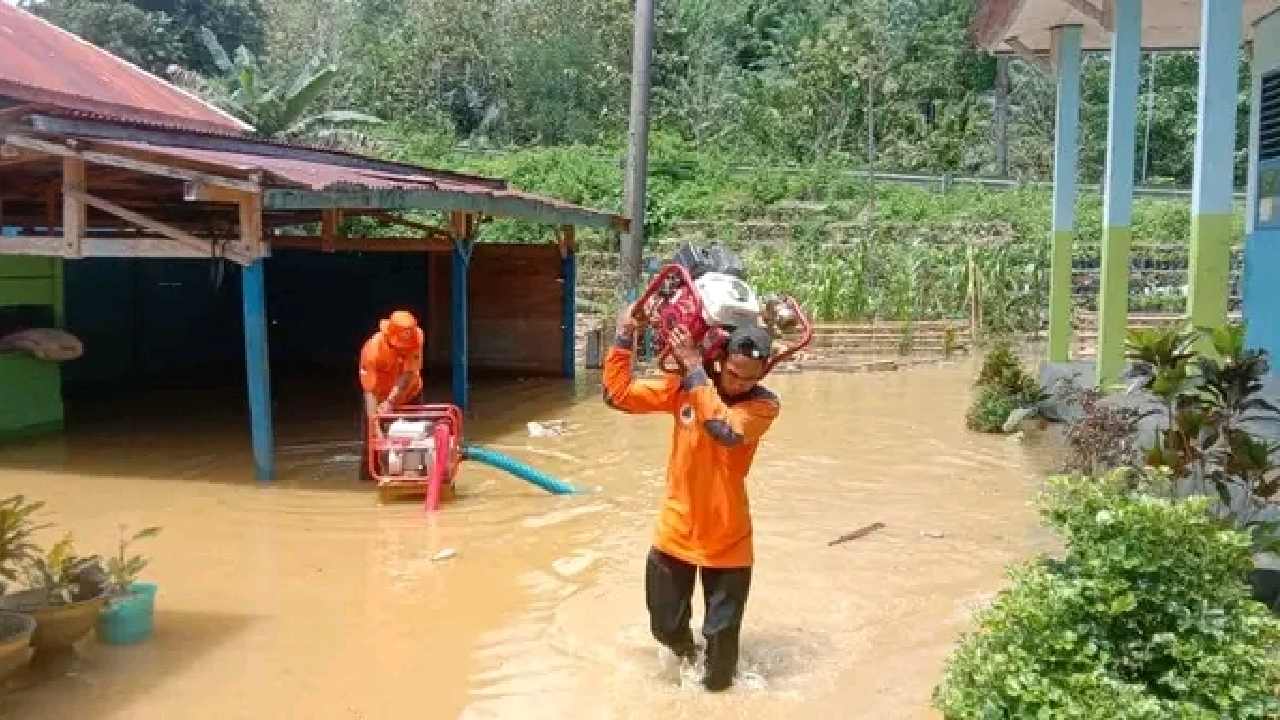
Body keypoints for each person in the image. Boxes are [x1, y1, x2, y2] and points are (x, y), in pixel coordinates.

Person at [603, 305, 781, 692]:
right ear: (720, 360)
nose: (739, 384)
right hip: (676, 532)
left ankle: (713, 683)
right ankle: (688, 659)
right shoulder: (685, 388)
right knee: (665, 629)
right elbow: (617, 395)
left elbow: (723, 429)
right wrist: (624, 336)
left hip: (728, 542)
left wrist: (694, 368)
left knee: (720, 677)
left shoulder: (763, 406)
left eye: (750, 378)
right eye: (732, 373)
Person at [358, 310, 425, 480]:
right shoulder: (372, 351)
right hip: (378, 399)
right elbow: (369, 392)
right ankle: (370, 478)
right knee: (372, 445)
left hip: (410, 395)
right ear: (389, 338)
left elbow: (409, 372)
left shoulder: (416, 337)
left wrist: (391, 401)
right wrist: (375, 427)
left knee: (415, 439)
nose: (404, 351)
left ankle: (413, 476)